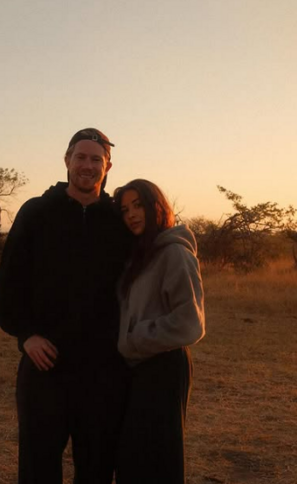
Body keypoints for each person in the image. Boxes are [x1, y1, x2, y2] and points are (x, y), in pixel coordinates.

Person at [0, 128, 132, 484]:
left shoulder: (118, 220)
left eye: (96, 159)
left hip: (103, 371)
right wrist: (26, 335)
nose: (87, 165)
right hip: (45, 366)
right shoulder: (37, 212)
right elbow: (9, 286)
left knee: (97, 466)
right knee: (38, 466)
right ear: (67, 160)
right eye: (80, 157)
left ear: (108, 166)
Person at [113, 179, 205, 484]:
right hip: (138, 368)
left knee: (157, 458)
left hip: (164, 366)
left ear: (157, 206)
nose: (131, 215)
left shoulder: (174, 252)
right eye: (125, 210)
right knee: (132, 459)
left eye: (138, 205)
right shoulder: (141, 254)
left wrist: (134, 338)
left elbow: (190, 322)